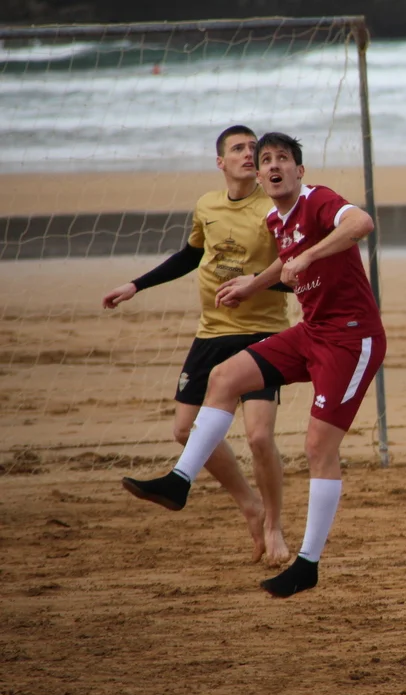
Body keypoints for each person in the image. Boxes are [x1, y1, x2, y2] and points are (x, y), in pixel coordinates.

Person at [122, 132, 386, 598]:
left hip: (351, 338)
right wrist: (253, 284)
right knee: (224, 377)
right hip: (311, 332)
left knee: (318, 447)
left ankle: (307, 563)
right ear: (260, 176)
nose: (273, 165)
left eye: (283, 158)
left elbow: (361, 222)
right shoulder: (274, 218)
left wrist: (309, 255)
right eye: (266, 160)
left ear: (299, 171)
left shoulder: (317, 199)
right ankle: (179, 481)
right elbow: (286, 262)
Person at [103, 124, 290, 565]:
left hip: (262, 332)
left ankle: (275, 526)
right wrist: (136, 285)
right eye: (238, 148)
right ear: (220, 162)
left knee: (259, 437)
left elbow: (295, 272)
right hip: (212, 333)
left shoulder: (275, 207)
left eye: (254, 148)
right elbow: (191, 255)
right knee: (185, 431)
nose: (249, 154)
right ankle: (250, 504)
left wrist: (254, 284)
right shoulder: (207, 205)